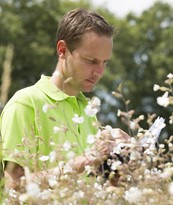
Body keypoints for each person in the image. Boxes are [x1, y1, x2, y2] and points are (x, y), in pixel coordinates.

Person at [0, 8, 129, 189]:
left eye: (104, 62)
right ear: (62, 50)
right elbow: (13, 186)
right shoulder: (25, 103)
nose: (100, 72)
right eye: (91, 61)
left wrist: (118, 163)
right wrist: (84, 160)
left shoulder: (88, 111)